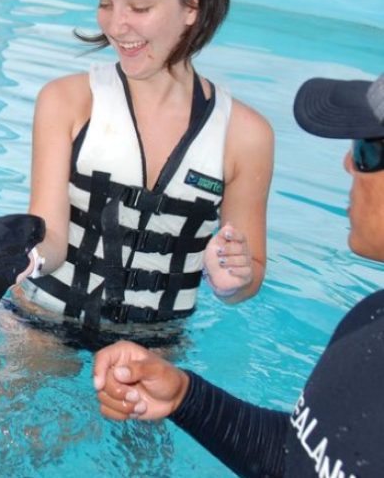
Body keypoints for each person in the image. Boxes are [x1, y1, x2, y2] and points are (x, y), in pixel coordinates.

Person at [93, 74, 384, 477]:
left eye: (368, 151)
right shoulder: (370, 319)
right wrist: (185, 397)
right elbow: (303, 457)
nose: (349, 163)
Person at [6, 0, 274, 336]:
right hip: (39, 323)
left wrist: (234, 281)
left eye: (139, 7)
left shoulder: (246, 135)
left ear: (192, 6)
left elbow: (248, 275)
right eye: (106, 4)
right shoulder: (67, 102)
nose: (116, 25)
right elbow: (52, 234)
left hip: (154, 343)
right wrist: (21, 254)